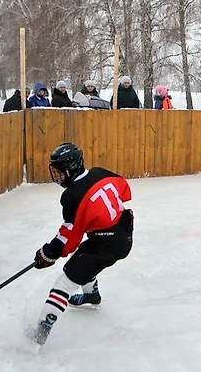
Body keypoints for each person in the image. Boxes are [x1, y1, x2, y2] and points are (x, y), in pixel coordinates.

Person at [31, 142, 134, 345]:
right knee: (85, 258)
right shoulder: (100, 172)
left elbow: (69, 237)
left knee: (66, 282)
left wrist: (48, 253)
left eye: (60, 173)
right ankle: (91, 296)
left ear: (71, 169)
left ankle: (39, 336)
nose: (57, 177)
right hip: (123, 232)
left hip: (107, 243)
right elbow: (123, 188)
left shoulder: (71, 195)